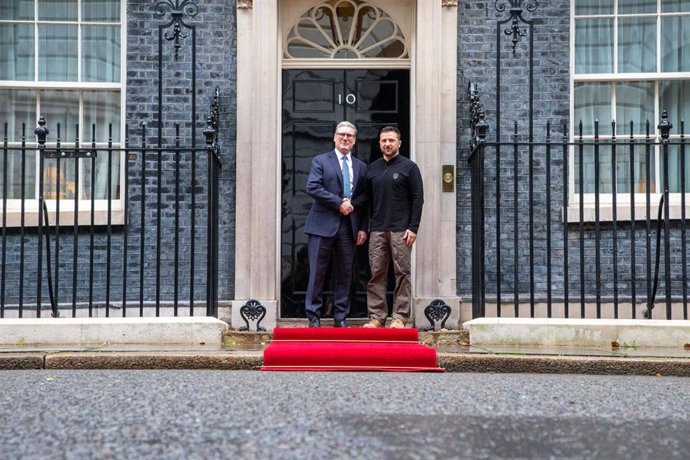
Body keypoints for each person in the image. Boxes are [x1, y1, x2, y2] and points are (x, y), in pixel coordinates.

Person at [304, 121, 368, 328]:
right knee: (317, 272)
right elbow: (313, 187)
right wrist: (338, 203)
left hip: (349, 227)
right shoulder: (321, 161)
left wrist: (362, 227)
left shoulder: (361, 166)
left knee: (345, 273)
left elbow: (365, 198)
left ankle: (340, 317)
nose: (345, 138)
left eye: (350, 136)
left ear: (355, 140)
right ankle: (314, 316)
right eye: (341, 134)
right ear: (334, 137)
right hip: (322, 224)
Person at [363, 126, 424, 329]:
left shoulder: (410, 167)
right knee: (376, 273)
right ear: (379, 143)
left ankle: (399, 316)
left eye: (391, 140)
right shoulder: (372, 168)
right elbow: (366, 201)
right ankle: (377, 317)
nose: (387, 144)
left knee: (402, 273)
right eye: (383, 141)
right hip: (378, 229)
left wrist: (413, 227)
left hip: (401, 230)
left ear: (399, 143)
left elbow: (418, 199)